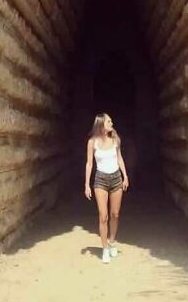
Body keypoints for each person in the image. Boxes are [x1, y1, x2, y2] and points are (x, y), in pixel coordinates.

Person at [84, 112, 129, 264]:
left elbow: (120, 158)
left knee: (115, 214)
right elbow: (89, 163)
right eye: (109, 121)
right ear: (101, 124)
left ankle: (112, 243)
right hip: (100, 180)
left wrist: (125, 176)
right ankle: (104, 249)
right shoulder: (92, 142)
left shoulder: (115, 140)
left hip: (116, 178)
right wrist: (86, 184)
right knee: (103, 216)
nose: (112, 123)